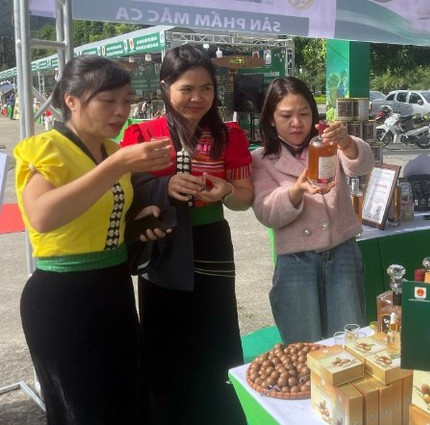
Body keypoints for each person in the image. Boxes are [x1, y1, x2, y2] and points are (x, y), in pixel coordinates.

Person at [13, 56, 172, 424]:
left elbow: (97, 214)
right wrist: (117, 166)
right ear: (71, 100)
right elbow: (42, 216)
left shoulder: (112, 151)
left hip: (113, 287)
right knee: (84, 409)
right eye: (108, 100)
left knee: (127, 400)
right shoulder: (47, 147)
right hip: (62, 297)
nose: (121, 111)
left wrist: (135, 222)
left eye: (127, 101)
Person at [120, 45, 254, 425]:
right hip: (163, 246)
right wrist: (163, 188)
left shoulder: (227, 135)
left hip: (212, 244)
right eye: (187, 89)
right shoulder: (144, 135)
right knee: (165, 345)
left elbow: (244, 199)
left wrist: (224, 192)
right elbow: (123, 193)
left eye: (206, 88)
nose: (198, 98)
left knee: (217, 337)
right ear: (165, 87)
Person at [251, 76, 374, 343]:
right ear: (271, 119)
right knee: (303, 343)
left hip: (342, 251)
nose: (297, 123)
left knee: (349, 338)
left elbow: (363, 166)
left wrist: (347, 143)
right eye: (286, 116)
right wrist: (297, 190)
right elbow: (265, 211)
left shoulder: (328, 143)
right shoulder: (261, 159)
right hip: (296, 261)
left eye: (304, 113)